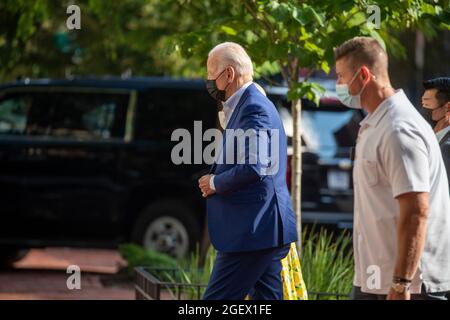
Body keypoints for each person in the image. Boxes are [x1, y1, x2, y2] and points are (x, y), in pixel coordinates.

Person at [334, 36, 450, 300]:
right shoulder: (375, 124)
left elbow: (416, 211)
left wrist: (400, 284)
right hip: (375, 278)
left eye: (341, 77)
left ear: (363, 75)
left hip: (410, 285)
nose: (338, 85)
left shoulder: (398, 129)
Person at [198, 42, 298, 300]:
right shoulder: (250, 104)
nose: (208, 80)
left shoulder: (253, 106)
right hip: (261, 230)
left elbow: (256, 165)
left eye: (211, 73)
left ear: (228, 74)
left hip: (252, 232)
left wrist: (215, 183)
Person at [421, 77, 450, 183]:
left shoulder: (447, 148)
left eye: (427, 104)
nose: (423, 109)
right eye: (422, 104)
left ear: (447, 107)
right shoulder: (429, 139)